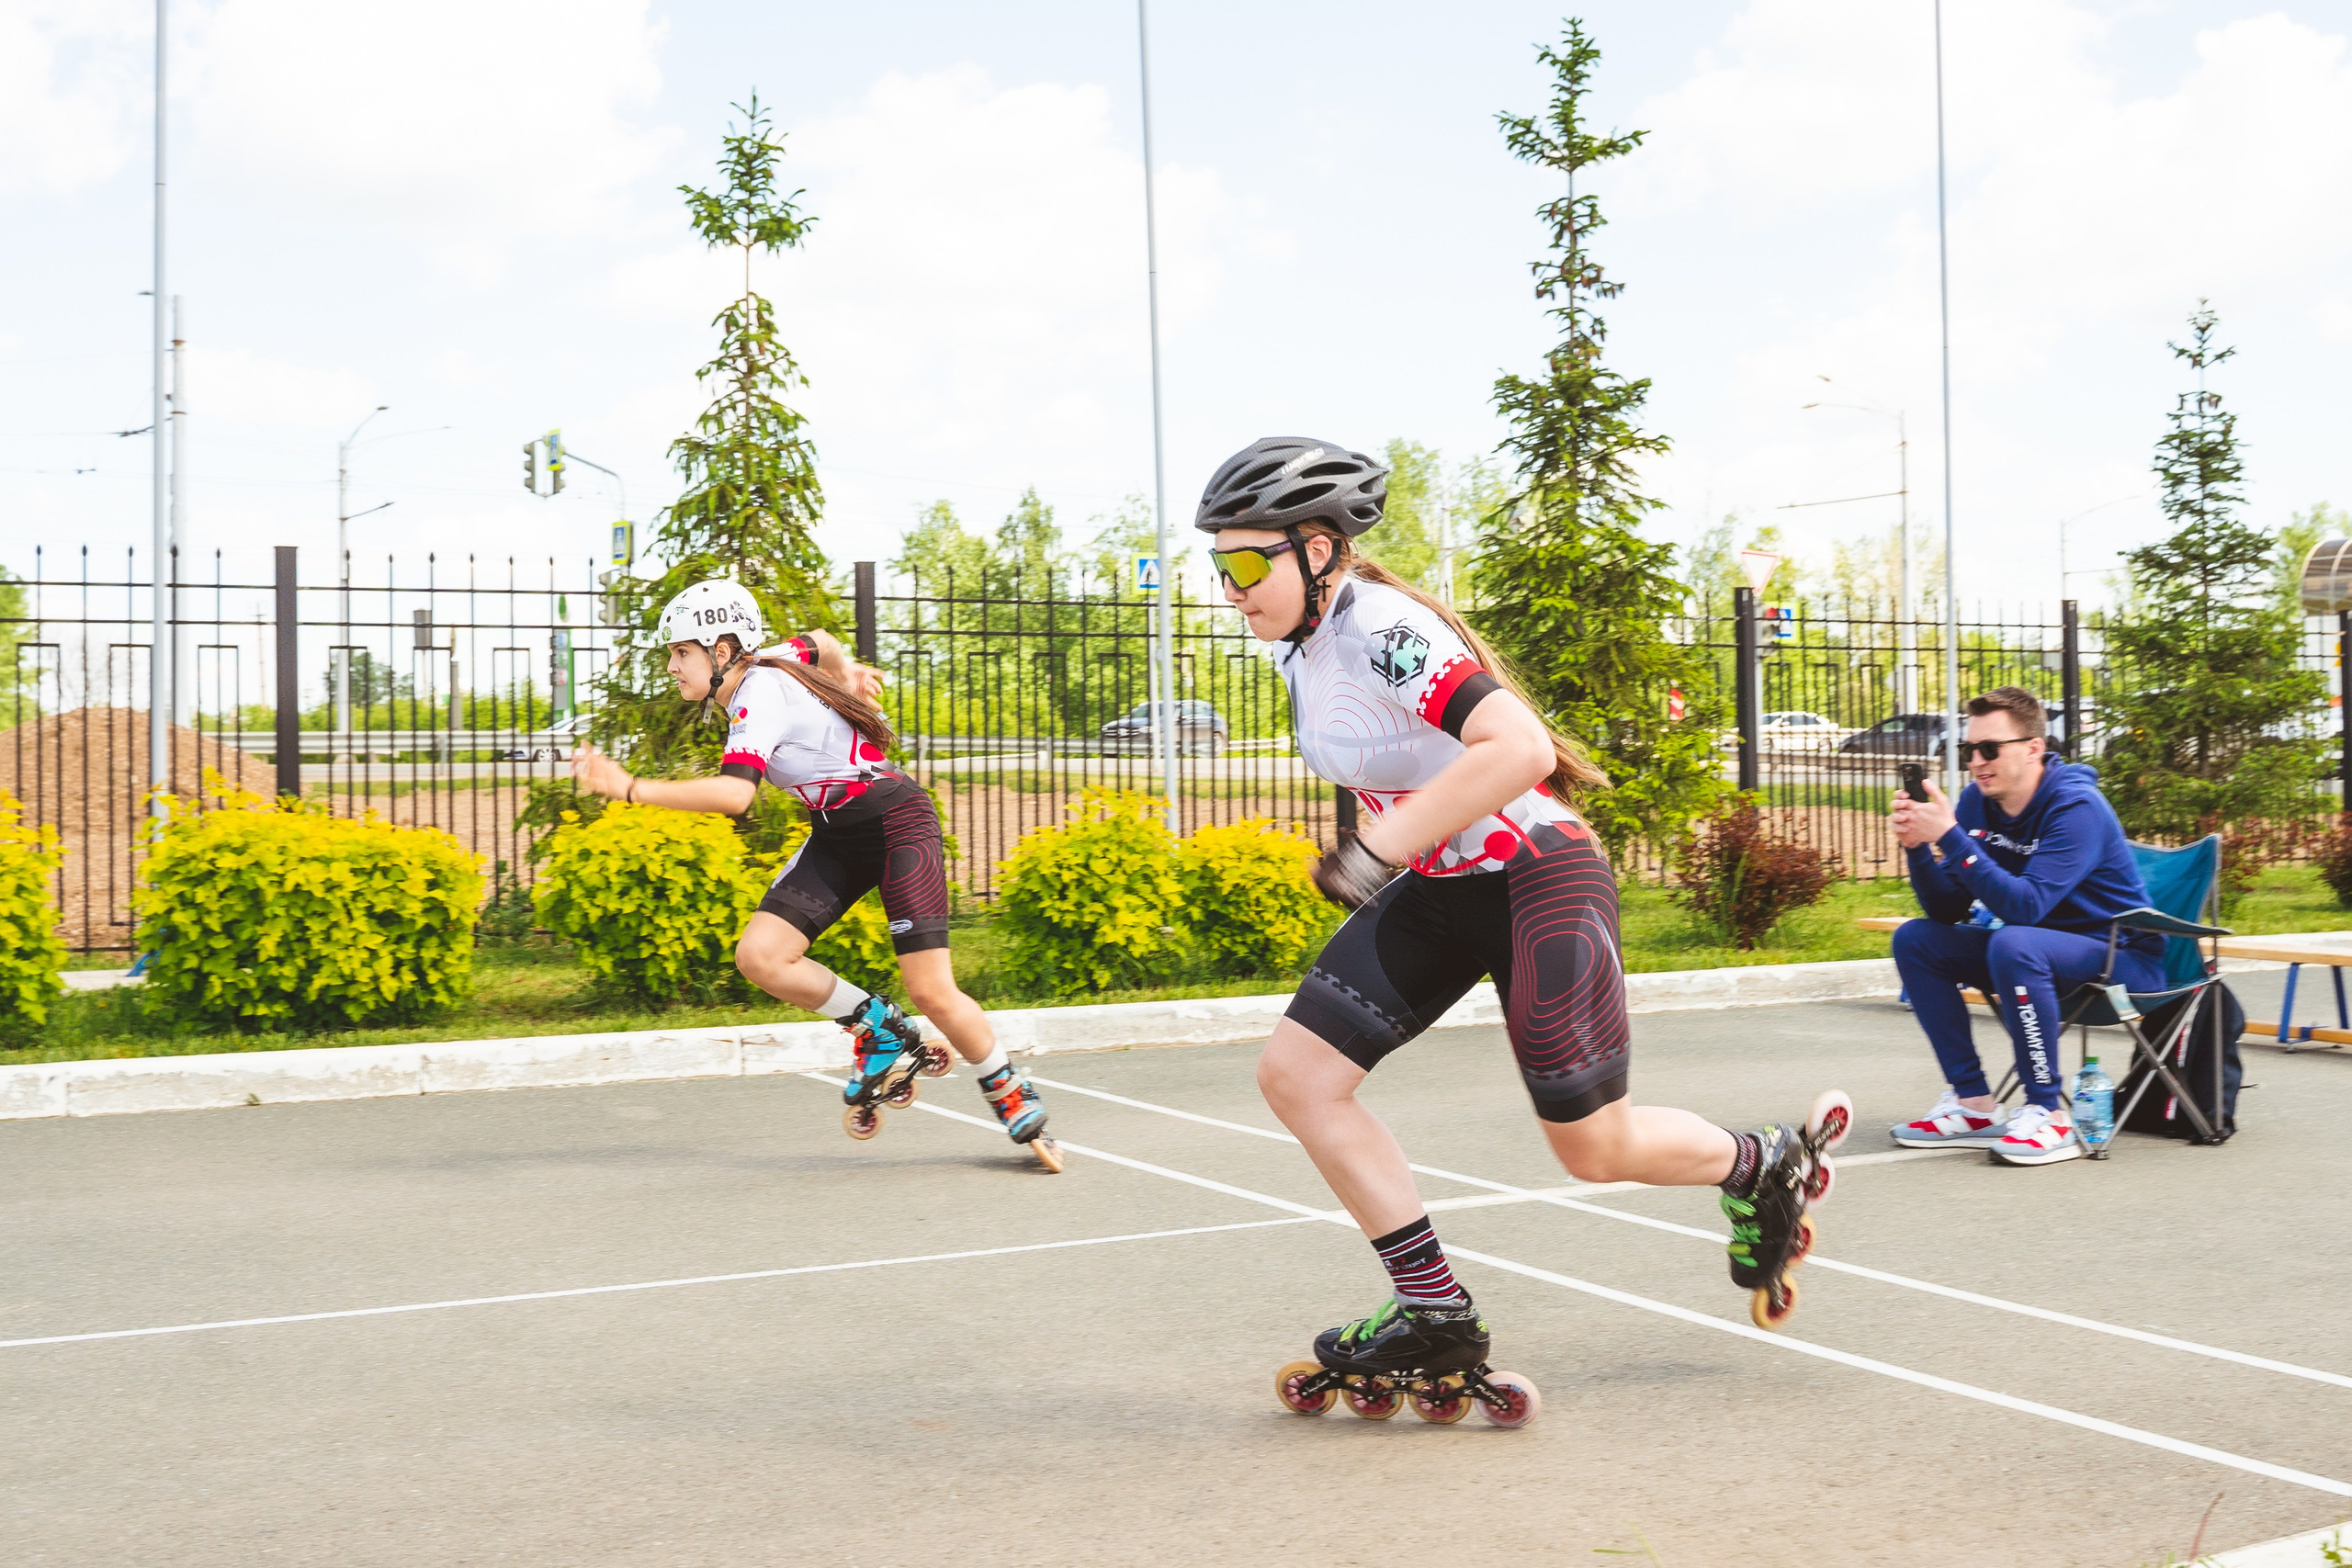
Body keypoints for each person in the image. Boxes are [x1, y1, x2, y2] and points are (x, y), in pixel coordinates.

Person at [1201, 435, 1850, 1393]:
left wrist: (1377, 849)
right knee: (1297, 1078)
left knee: (1593, 1147)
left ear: (1320, 549)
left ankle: (1760, 1163)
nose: (1231, 588)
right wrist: (1395, 847)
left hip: (1536, 876)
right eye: (1219, 567)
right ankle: (1435, 1312)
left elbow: (1518, 747)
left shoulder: (1380, 625)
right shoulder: (1304, 645)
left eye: (1250, 565)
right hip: (1441, 886)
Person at [568, 579, 1058, 1169]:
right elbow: (821, 641)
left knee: (932, 991)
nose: (672, 666)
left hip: (897, 823)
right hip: (838, 835)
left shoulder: (756, 695)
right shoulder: (766, 660)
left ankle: (1009, 1089)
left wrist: (629, 788)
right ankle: (877, 1026)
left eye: (680, 652)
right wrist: (846, 675)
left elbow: (735, 795)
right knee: (761, 957)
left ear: (720, 651)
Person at [1887, 684, 2159, 1167]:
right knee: (1916, 940)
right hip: (2032, 955)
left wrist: (1951, 838)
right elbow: (1946, 910)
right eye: (1969, 750)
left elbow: (2026, 907)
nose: (1976, 762)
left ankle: (2048, 1113)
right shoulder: (1977, 803)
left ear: (2034, 748)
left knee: (2015, 942)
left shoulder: (2077, 807)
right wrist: (1917, 849)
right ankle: (1973, 1105)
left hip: (2120, 959)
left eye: (1990, 749)